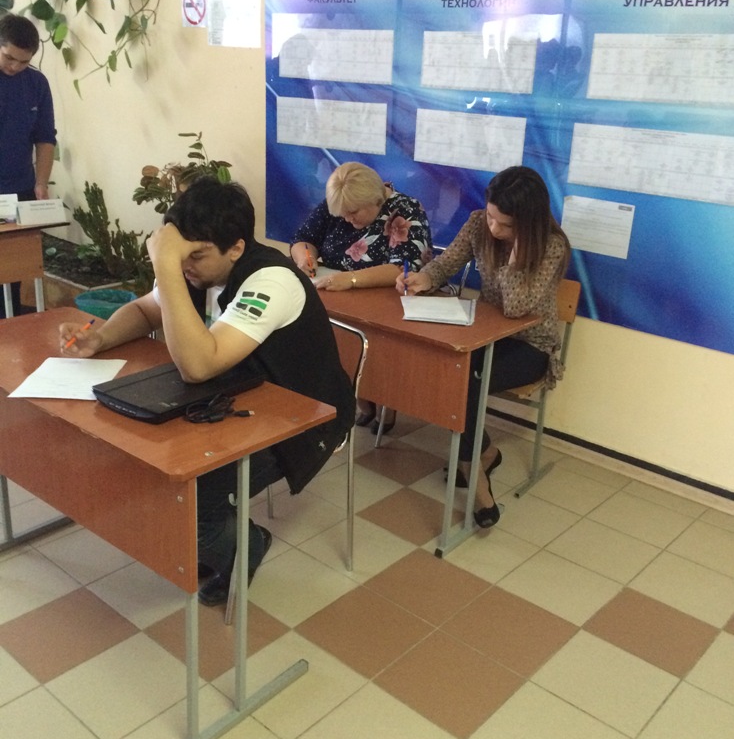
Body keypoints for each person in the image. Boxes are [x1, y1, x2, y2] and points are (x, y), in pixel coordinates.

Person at [60, 177, 355, 605]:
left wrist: (166, 265)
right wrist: (101, 338)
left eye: (195, 256)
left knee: (192, 499)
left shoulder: (270, 280)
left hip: (304, 418)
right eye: (179, 256)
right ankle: (215, 537)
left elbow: (198, 367)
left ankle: (247, 544)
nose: (185, 267)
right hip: (237, 399)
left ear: (235, 248)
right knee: (154, 471)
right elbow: (146, 309)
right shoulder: (196, 270)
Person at [397, 166, 571, 529]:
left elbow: (516, 307)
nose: (493, 229)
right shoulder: (478, 223)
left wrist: (515, 259)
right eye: (491, 216)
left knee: (466, 380)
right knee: (451, 369)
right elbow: (446, 263)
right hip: (486, 335)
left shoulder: (551, 246)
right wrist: (423, 278)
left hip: (531, 346)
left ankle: (476, 479)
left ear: (528, 223)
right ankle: (484, 453)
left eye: (505, 225)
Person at [290, 160, 432, 432]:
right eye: (342, 214)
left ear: (375, 200)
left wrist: (351, 279)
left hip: (388, 301)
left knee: (365, 339)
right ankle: (358, 397)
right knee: (321, 333)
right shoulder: (341, 202)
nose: (346, 219)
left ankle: (381, 398)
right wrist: (304, 258)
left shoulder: (405, 210)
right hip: (337, 294)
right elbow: (303, 238)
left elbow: (402, 268)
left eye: (353, 213)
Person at [0, 13, 56, 317]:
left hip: (18, 191)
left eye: (23, 61)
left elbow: (45, 138)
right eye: (9, 58)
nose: (14, 67)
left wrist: (41, 183)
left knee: (11, 271)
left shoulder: (36, 84)